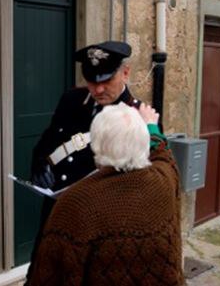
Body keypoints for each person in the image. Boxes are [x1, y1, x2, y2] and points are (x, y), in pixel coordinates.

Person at [28, 102, 184, 286]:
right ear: (144, 142)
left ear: (96, 145)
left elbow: (49, 277)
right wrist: (151, 126)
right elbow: (163, 154)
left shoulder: (75, 205)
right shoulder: (164, 179)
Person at [26, 41, 141, 283]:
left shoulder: (138, 117)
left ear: (125, 73)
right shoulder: (72, 100)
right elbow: (47, 141)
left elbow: (136, 187)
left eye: (106, 80)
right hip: (55, 213)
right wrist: (39, 163)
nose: (98, 90)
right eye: (92, 81)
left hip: (94, 228)